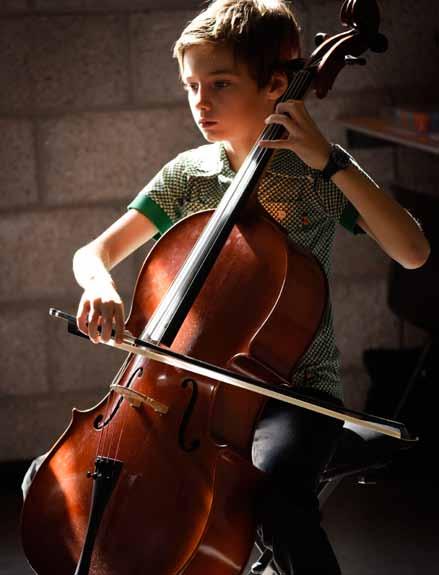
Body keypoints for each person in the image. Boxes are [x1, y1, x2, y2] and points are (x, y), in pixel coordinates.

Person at [22, 1, 430, 573]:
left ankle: (331, 445)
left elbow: (414, 252)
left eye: (220, 83)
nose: (201, 102)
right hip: (179, 395)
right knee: (51, 476)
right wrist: (99, 285)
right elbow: (93, 253)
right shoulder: (190, 175)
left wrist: (329, 159)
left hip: (294, 394)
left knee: (275, 500)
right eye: (192, 85)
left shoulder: (314, 180)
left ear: (276, 85)